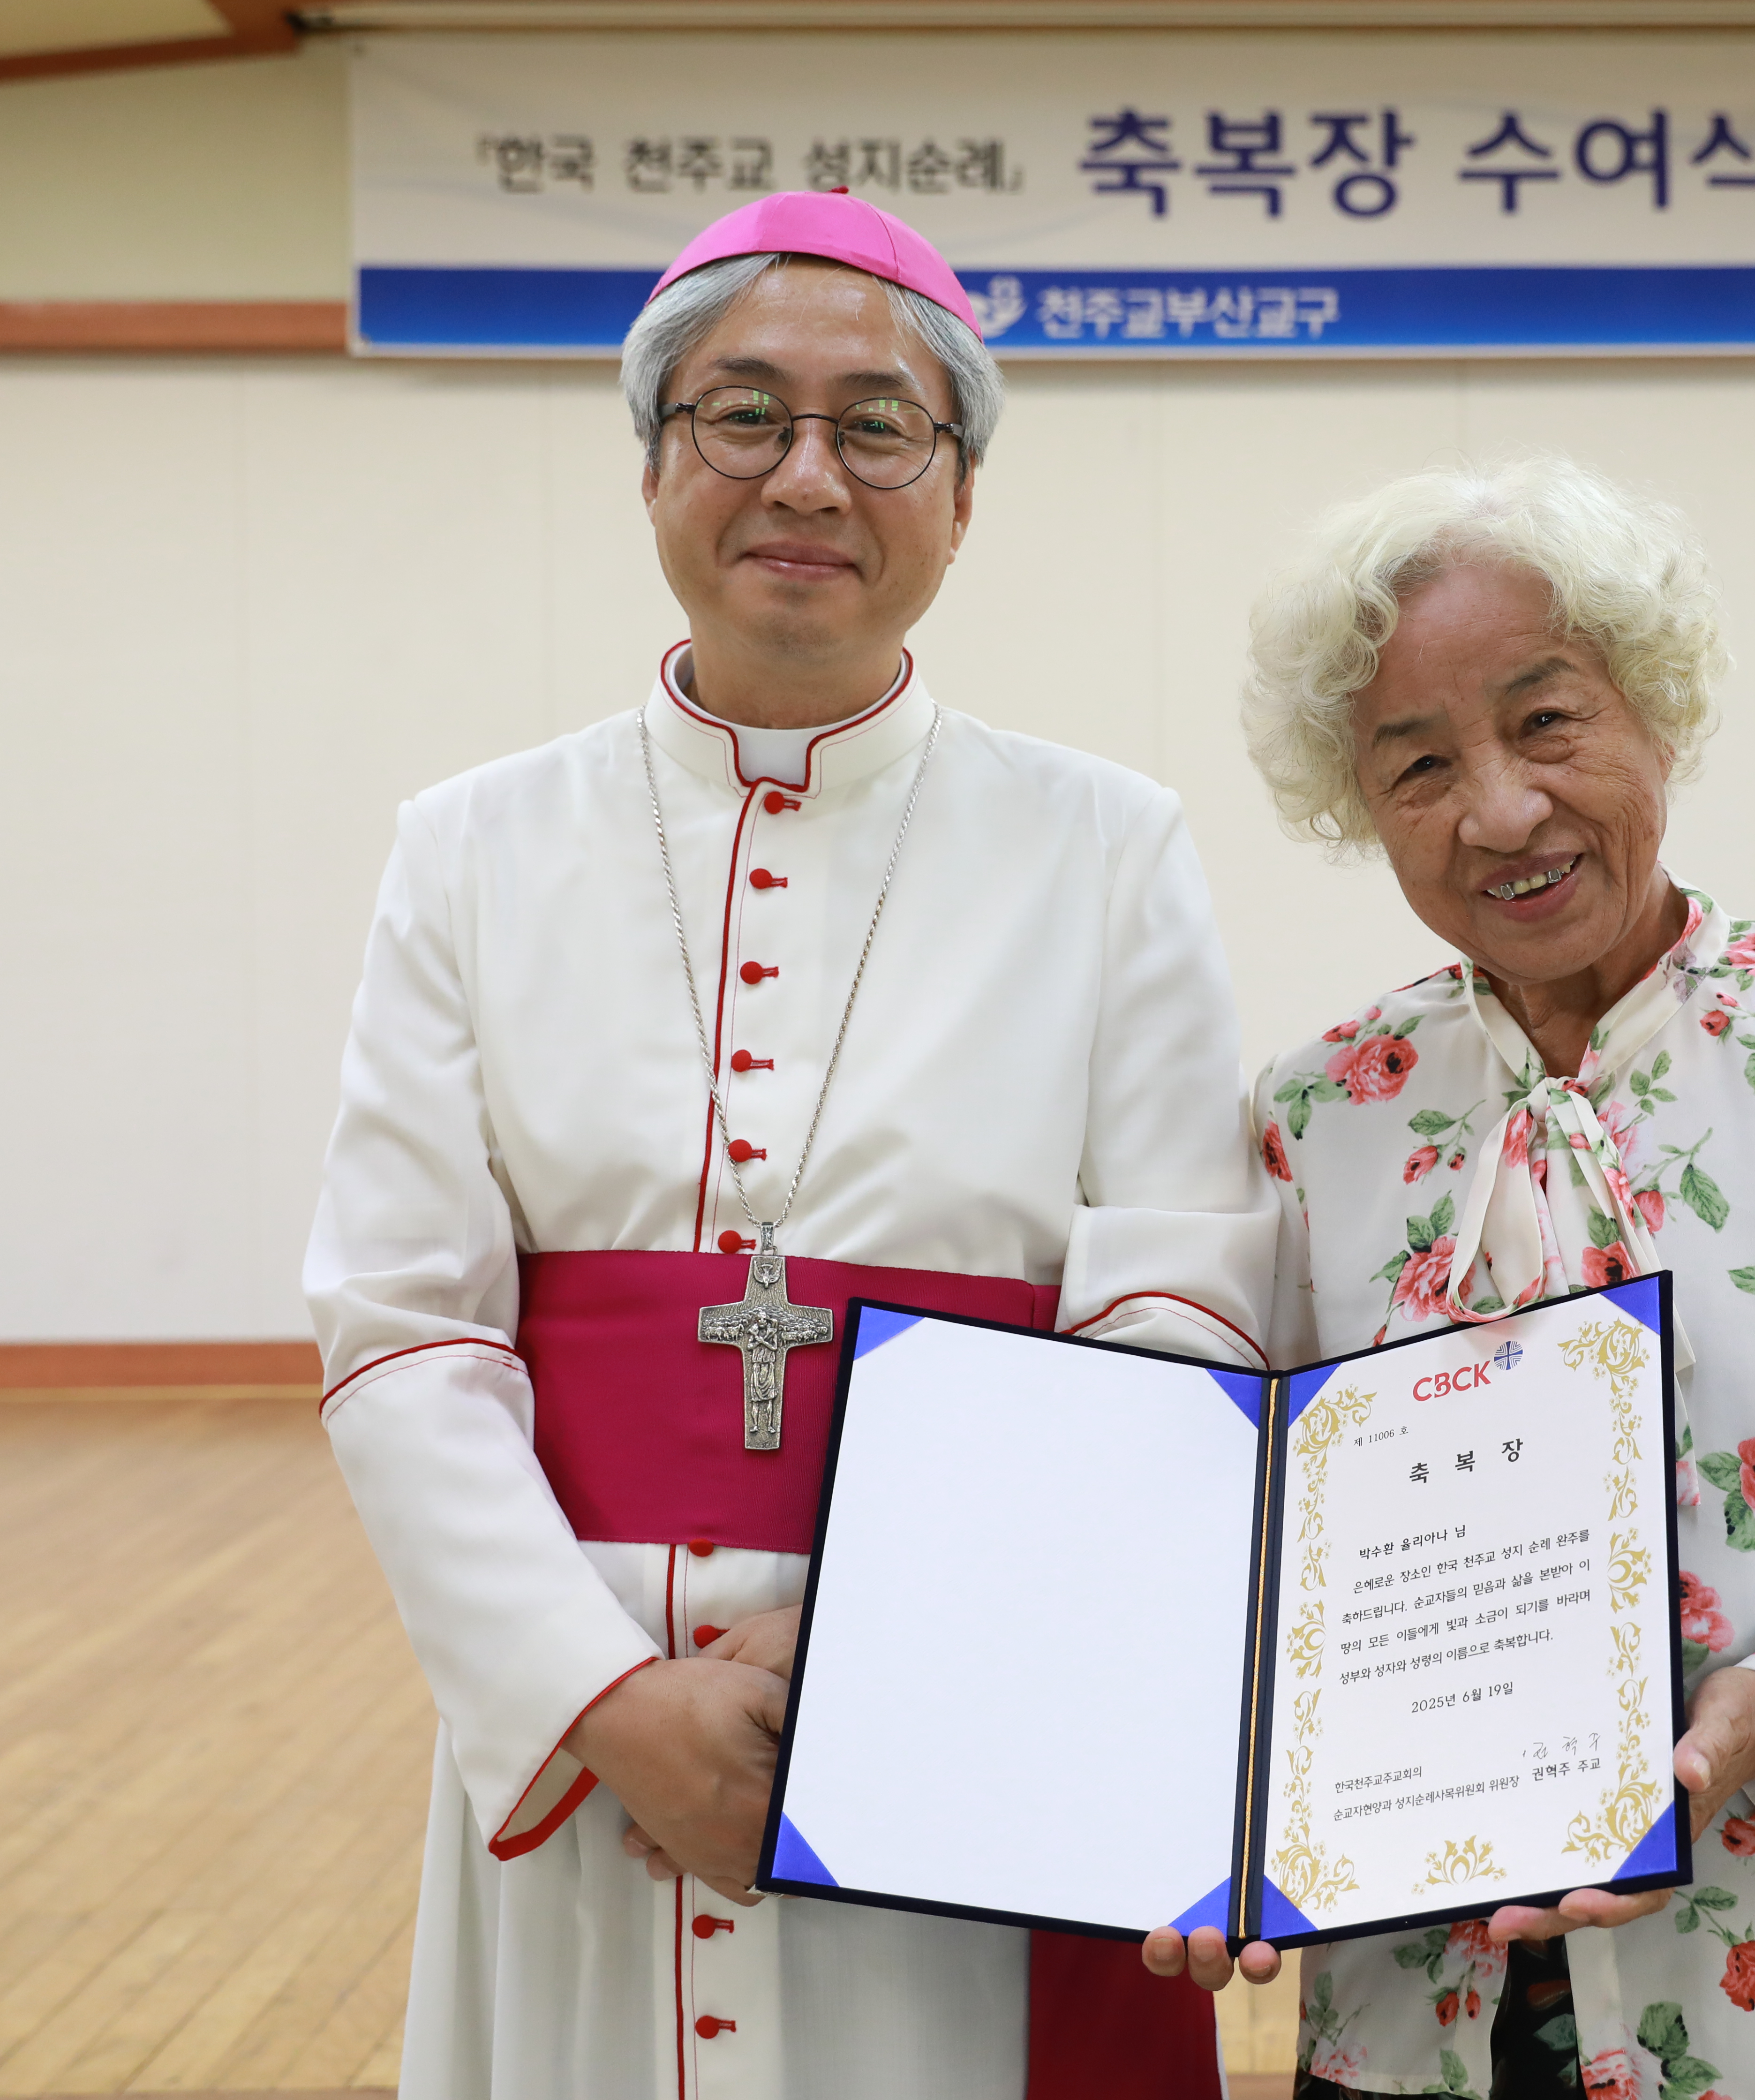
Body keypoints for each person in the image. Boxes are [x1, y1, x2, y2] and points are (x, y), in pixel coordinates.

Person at [306, 190, 1269, 2100]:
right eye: (743, 415)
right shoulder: (471, 847)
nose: (805, 474)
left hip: (964, 1700)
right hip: (582, 1710)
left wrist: (879, 1649)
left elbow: (1186, 1299)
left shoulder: (1109, 844)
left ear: (963, 492)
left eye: (876, 424)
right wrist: (607, 1699)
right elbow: (399, 1322)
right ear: (656, 466)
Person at [1151, 459, 1755, 2100]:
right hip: (1417, 2033)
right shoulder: (1318, 1114)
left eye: (1549, 725)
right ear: (1360, 806)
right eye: (1417, 764)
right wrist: (1193, 1801)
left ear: (1655, 715)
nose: (1501, 811)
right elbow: (1240, 1565)